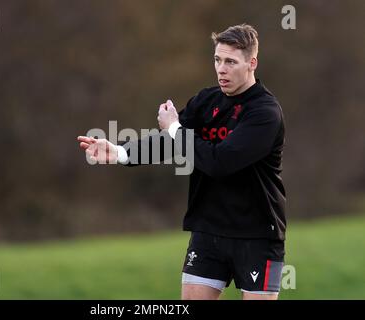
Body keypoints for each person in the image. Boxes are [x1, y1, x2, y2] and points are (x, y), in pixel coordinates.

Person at [77, 24, 286, 300]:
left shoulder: (264, 113)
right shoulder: (205, 101)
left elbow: (219, 162)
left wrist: (175, 128)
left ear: (252, 63)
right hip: (208, 228)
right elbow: (170, 143)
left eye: (231, 62)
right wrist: (119, 152)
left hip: (257, 233)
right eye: (217, 60)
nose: (221, 69)